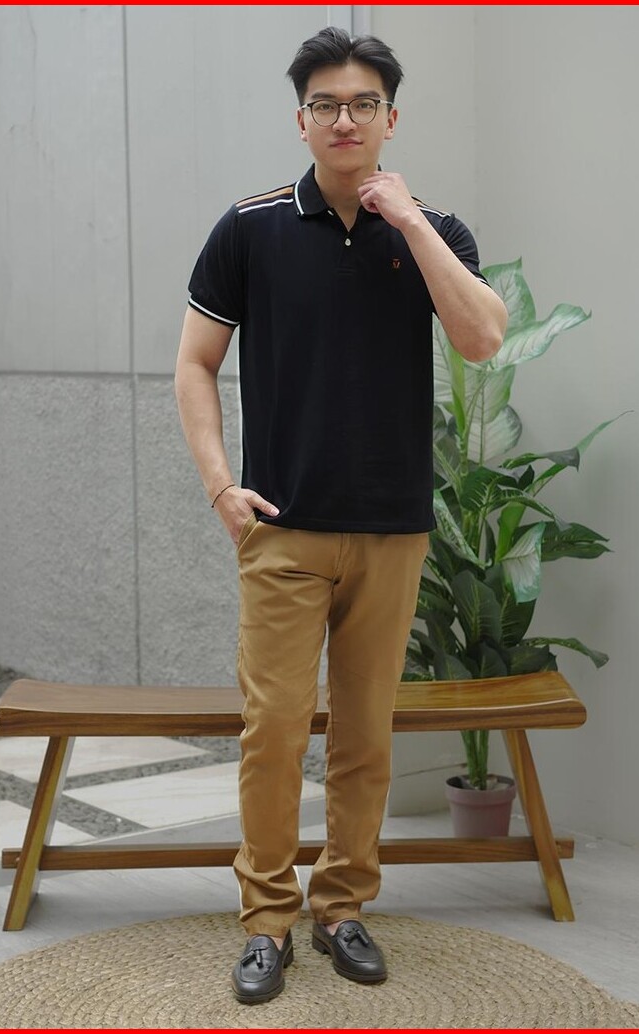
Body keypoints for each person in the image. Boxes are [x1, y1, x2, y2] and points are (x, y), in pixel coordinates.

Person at [174, 26, 506, 1004]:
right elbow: (194, 363)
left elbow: (483, 338)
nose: (344, 118)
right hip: (282, 528)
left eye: (363, 103)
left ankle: (343, 906)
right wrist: (221, 486)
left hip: (393, 529)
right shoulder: (250, 227)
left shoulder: (433, 229)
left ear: (389, 118)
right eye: (326, 104)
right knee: (274, 729)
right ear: (302, 120)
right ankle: (266, 920)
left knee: (365, 735)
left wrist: (407, 220)